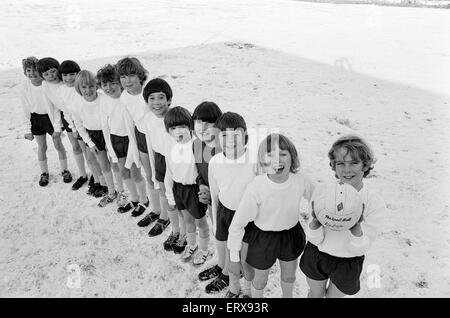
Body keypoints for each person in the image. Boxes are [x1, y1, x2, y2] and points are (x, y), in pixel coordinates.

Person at [228, 133, 315, 298]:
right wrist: (233, 257)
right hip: (263, 239)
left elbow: (319, 199)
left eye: (283, 154)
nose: (277, 160)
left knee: (289, 276)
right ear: (262, 161)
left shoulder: (300, 180)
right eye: (270, 155)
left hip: (291, 235)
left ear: (292, 157)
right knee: (259, 279)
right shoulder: (257, 187)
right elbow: (238, 224)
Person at [299, 134, 386, 298]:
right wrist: (315, 225)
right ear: (333, 166)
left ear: (365, 166)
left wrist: (356, 231)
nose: (347, 169)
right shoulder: (322, 193)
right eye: (341, 163)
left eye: (354, 163)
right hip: (317, 254)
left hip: (348, 262)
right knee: (315, 294)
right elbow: (314, 238)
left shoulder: (374, 203)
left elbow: (361, 247)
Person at [207, 112, 257, 298]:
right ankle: (231, 282)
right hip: (225, 213)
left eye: (236, 134)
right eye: (225, 135)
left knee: (244, 258)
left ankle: (248, 289)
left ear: (245, 136)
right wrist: (215, 222)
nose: (231, 140)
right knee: (227, 247)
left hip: (248, 217)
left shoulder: (255, 161)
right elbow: (214, 195)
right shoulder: (215, 162)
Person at [164, 106, 211, 265]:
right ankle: (192, 245)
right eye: (173, 128)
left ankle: (204, 250)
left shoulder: (196, 145)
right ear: (168, 131)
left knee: (201, 222)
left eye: (182, 127)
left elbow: (204, 170)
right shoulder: (170, 147)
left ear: (190, 127)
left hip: (194, 189)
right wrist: (170, 194)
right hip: (178, 188)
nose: (178, 131)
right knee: (187, 220)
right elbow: (169, 172)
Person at [72, 70, 119, 206]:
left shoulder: (104, 98)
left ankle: (121, 189)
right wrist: (89, 143)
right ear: (79, 88)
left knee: (115, 163)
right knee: (103, 164)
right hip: (93, 136)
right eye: (84, 87)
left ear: (96, 85)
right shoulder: (76, 105)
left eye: (91, 86)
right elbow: (79, 126)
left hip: (109, 133)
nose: (88, 90)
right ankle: (111, 191)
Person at [192, 102, 226, 280]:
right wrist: (202, 186)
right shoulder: (197, 144)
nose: (203, 128)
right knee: (217, 231)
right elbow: (200, 172)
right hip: (211, 200)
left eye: (208, 123)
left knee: (229, 235)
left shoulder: (225, 149)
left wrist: (215, 194)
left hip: (227, 202)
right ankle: (221, 261)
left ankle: (230, 269)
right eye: (199, 123)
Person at [139, 78, 177, 237]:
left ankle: (178, 228)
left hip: (175, 161)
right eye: (152, 98)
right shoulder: (148, 118)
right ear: (147, 101)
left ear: (169, 99)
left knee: (175, 194)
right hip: (160, 158)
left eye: (161, 97)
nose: (157, 102)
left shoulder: (175, 118)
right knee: (162, 188)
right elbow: (150, 144)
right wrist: (154, 168)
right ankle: (164, 216)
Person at [20, 57, 65, 186]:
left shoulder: (46, 83)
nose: (32, 73)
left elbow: (55, 105)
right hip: (36, 119)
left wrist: (57, 126)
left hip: (50, 118)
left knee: (58, 144)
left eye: (34, 69)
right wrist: (27, 129)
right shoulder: (25, 85)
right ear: (24, 73)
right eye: (28, 70)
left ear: (40, 71)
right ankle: (44, 173)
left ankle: (64, 169)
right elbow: (25, 107)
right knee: (42, 147)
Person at [36, 57, 73, 184]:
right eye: (46, 74)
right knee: (60, 142)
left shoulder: (65, 81)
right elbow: (52, 107)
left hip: (78, 114)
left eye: (53, 71)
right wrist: (57, 128)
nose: (51, 76)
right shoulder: (45, 85)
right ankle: (64, 171)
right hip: (63, 116)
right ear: (42, 76)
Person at [57, 60, 92, 191]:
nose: (68, 78)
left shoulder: (82, 87)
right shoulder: (61, 89)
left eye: (72, 74)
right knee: (76, 147)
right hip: (70, 121)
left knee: (88, 150)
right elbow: (65, 109)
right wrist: (72, 127)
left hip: (84, 122)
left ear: (78, 74)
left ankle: (95, 174)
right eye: (65, 75)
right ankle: (83, 175)